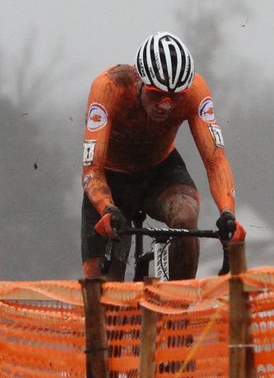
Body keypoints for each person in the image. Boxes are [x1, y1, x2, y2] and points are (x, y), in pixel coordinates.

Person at [81, 31, 246, 280]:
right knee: (102, 294)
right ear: (138, 80)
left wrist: (228, 214)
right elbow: (92, 168)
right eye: (156, 94)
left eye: (175, 98)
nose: (165, 105)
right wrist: (106, 208)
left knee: (185, 216)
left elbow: (215, 160)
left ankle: (177, 313)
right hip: (111, 180)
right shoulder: (109, 88)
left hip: (161, 172)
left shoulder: (195, 91)